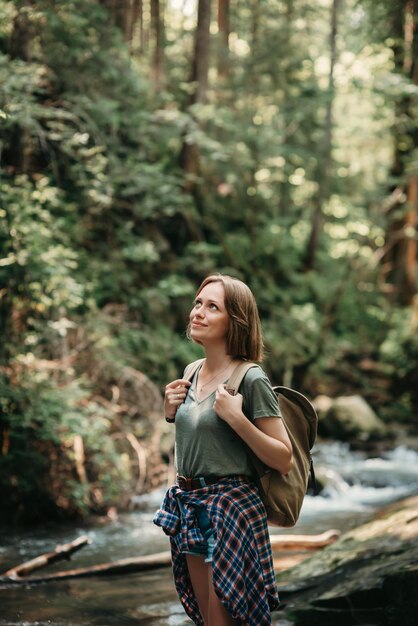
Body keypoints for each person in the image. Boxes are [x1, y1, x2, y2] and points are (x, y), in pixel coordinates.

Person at [153, 274, 293, 626]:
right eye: (198, 303)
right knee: (205, 619)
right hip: (189, 505)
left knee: (225, 621)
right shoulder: (192, 370)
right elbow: (196, 437)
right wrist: (171, 413)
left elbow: (283, 458)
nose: (197, 312)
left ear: (236, 322)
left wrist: (238, 419)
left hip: (231, 508)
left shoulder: (251, 378)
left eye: (212, 307)